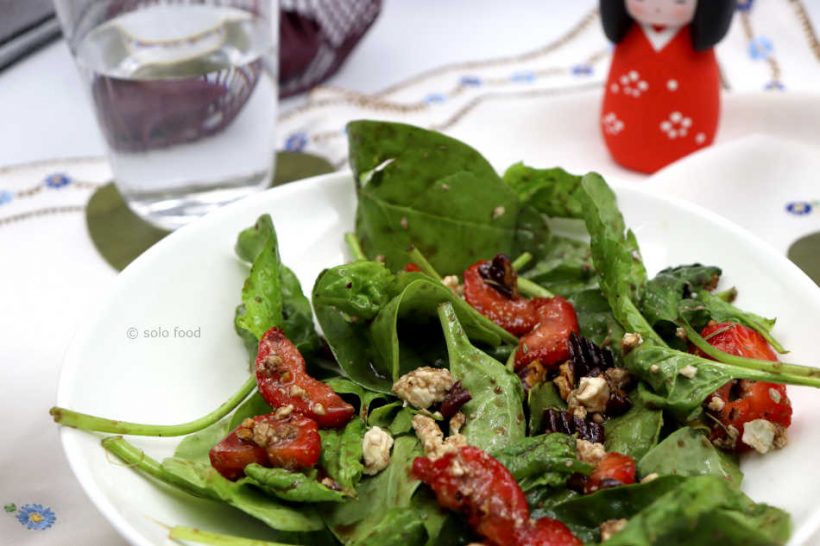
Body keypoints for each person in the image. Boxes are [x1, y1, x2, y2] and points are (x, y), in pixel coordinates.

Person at [599, 0, 736, 174]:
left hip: (686, 137)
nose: (657, 7)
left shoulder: (696, 44)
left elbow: (702, 99)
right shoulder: (630, 38)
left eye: (679, 1)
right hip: (626, 131)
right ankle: (630, 146)